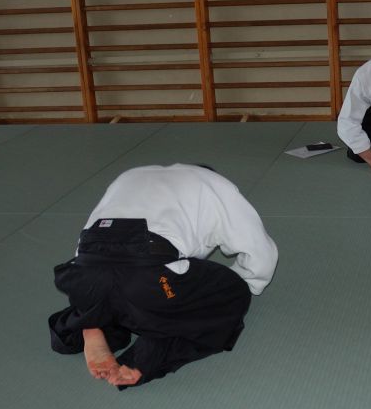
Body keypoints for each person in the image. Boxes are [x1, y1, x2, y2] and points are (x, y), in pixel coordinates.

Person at [48, 164, 277, 389]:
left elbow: (88, 240)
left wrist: (87, 301)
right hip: (147, 274)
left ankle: (90, 322)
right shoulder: (215, 184)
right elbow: (258, 249)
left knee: (118, 294)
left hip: (83, 275)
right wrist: (248, 283)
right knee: (229, 293)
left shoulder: (130, 174)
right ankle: (144, 359)